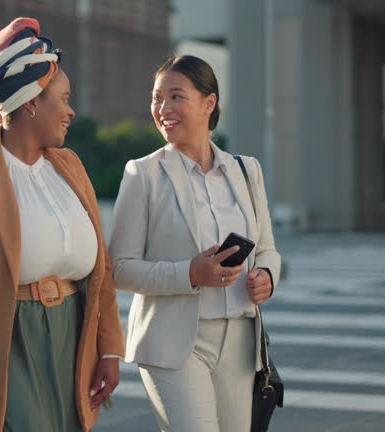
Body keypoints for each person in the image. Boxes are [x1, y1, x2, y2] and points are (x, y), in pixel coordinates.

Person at [0, 18, 125, 432]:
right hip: (4, 343)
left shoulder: (70, 166)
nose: (71, 111)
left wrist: (109, 350)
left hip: (73, 339)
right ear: (31, 101)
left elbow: (101, 269)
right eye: (63, 99)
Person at [108, 55, 282, 432]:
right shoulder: (143, 174)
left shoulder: (245, 170)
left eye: (175, 97)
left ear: (209, 103)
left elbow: (267, 248)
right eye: (157, 98)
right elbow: (118, 267)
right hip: (173, 345)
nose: (162, 109)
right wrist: (190, 272)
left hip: (239, 344)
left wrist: (267, 274)